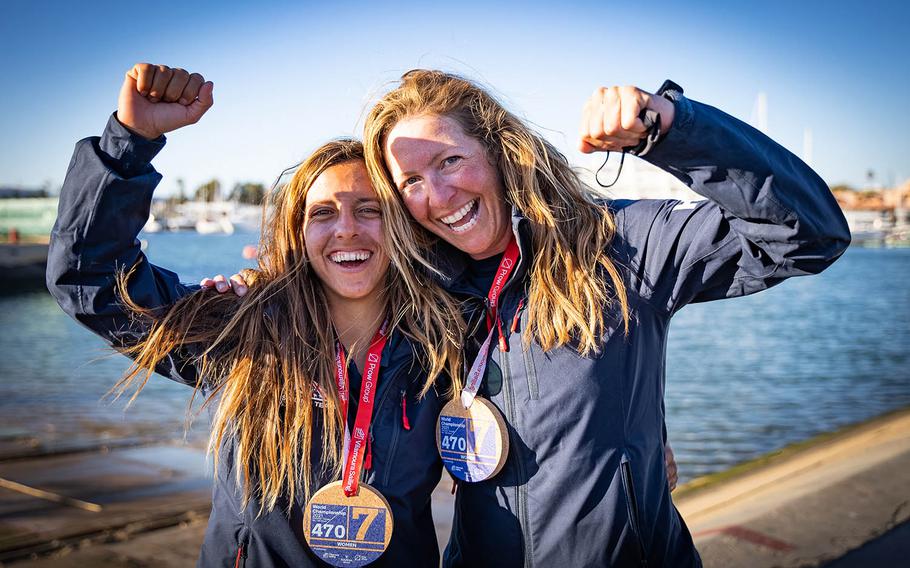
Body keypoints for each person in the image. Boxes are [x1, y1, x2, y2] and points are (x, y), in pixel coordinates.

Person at [352, 70, 851, 567]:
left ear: (501, 150)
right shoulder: (422, 290)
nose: (438, 196)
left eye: (451, 161)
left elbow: (809, 235)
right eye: (412, 181)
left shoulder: (623, 245)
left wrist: (672, 125)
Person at [46, 63, 465, 567]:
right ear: (298, 234)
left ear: (400, 227)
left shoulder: (445, 344)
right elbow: (89, 276)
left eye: (370, 209)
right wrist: (131, 140)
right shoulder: (244, 332)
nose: (347, 229)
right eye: (324, 212)